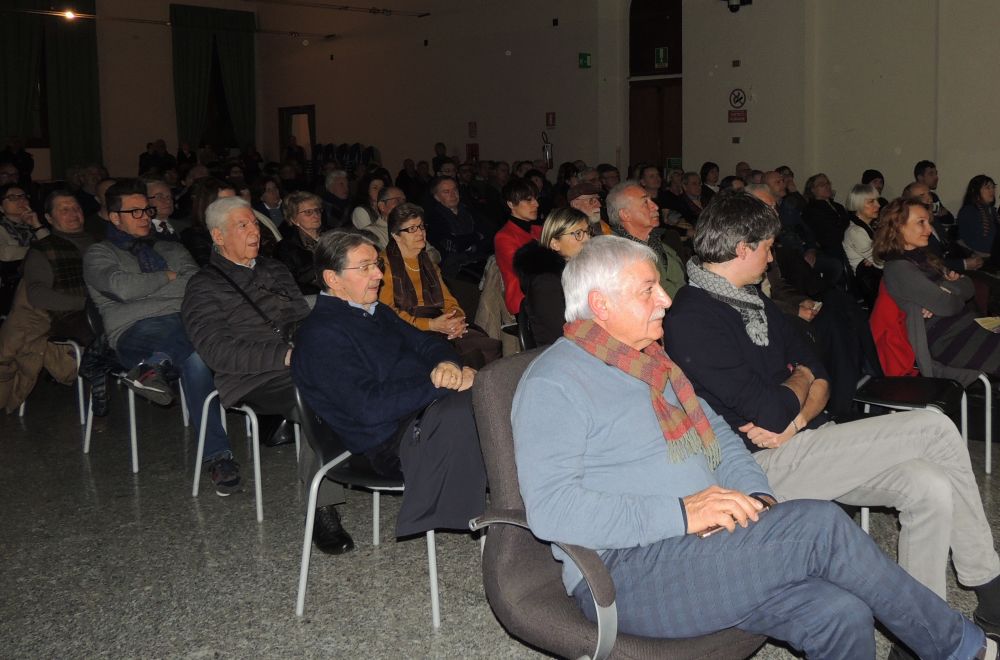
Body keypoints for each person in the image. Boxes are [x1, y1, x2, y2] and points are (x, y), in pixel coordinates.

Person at [514, 234, 997, 659]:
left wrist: (758, 498)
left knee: (840, 613)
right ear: (600, 305)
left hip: (703, 546)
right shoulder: (555, 383)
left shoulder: (654, 366)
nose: (664, 298)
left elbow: (722, 439)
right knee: (820, 525)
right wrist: (683, 513)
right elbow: (553, 511)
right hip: (627, 573)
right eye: (648, 289)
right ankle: (963, 649)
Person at [662, 192, 1000, 656]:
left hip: (804, 441)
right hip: (758, 467)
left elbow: (818, 371)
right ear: (742, 248)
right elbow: (770, 409)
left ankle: (918, 636)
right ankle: (989, 586)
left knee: (931, 486)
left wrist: (799, 411)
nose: (772, 257)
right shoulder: (692, 317)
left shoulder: (749, 300)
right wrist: (799, 389)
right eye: (767, 248)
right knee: (933, 427)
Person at [181, 197, 355, 554]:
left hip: (301, 360)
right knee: (320, 394)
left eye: (255, 224)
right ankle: (321, 507)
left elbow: (302, 319)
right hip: (253, 376)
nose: (254, 231)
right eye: (242, 225)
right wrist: (284, 355)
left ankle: (393, 463)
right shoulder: (202, 286)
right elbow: (216, 351)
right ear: (218, 236)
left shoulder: (275, 269)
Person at [292, 230, 487, 538]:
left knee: (499, 389)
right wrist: (443, 384)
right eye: (365, 267)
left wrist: (449, 366)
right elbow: (369, 407)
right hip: (391, 442)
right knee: (484, 409)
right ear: (333, 278)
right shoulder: (321, 336)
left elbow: (426, 343)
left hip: (420, 412)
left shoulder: (373, 311)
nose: (379, 275)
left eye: (377, 264)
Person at [83, 182, 236, 493]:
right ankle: (217, 455)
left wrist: (147, 286)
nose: (145, 217)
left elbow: (196, 284)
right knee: (193, 336)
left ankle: (218, 455)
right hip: (134, 331)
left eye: (147, 210)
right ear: (114, 217)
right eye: (135, 211)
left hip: (185, 324)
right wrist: (167, 276)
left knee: (195, 357)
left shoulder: (171, 248)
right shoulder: (99, 253)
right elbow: (121, 287)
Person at [876, 196, 1000, 379]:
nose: (929, 229)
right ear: (898, 227)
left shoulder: (924, 257)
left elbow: (969, 286)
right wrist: (948, 288)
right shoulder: (898, 267)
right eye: (921, 222)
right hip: (948, 341)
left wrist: (946, 288)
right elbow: (947, 306)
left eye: (928, 222)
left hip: (965, 327)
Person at [0, 191, 91, 412]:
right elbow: (38, 294)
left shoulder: (98, 243)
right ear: (49, 218)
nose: (73, 213)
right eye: (64, 210)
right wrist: (87, 303)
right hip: (68, 316)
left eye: (76, 208)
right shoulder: (44, 250)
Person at [379, 203, 500, 368]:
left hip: (439, 321)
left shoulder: (427, 262)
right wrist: (431, 324)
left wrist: (456, 320)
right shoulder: (383, 265)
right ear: (396, 235)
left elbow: (448, 300)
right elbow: (387, 314)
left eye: (421, 226)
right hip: (408, 330)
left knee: (485, 344)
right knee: (467, 352)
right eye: (412, 229)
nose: (420, 232)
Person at [512, 207, 591, 346]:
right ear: (555, 244)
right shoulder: (546, 282)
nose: (587, 239)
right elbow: (562, 333)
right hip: (564, 350)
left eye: (588, 232)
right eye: (578, 233)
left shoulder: (580, 270)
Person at [606, 180, 686, 297]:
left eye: (651, 201)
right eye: (645, 202)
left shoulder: (660, 240)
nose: (656, 207)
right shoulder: (616, 255)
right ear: (625, 214)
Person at [494, 178, 542, 314]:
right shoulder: (504, 237)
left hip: (543, 292)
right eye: (528, 200)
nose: (536, 204)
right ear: (511, 204)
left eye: (535, 199)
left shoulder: (539, 230)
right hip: (524, 300)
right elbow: (525, 272)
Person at [0, 183, 49, 316]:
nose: (21, 200)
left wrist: (36, 224)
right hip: (12, 286)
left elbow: (51, 248)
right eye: (13, 197)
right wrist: (38, 251)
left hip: (39, 280)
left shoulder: (32, 225)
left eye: (23, 196)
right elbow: (5, 254)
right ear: (1, 207)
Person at [275, 191, 324, 295]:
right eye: (308, 212)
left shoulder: (332, 235)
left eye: (317, 210)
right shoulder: (285, 248)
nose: (316, 215)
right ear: (294, 219)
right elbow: (293, 283)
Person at [843, 183, 883, 305]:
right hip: (870, 282)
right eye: (871, 202)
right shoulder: (856, 231)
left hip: (876, 276)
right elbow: (880, 262)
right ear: (858, 205)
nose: (878, 205)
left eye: (877, 200)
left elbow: (879, 257)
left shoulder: (868, 227)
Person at [802, 173, 850, 265]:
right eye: (822, 184)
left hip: (846, 244)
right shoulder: (811, 209)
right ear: (812, 190)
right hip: (829, 250)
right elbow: (826, 233)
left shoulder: (838, 206)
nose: (827, 186)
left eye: (828, 183)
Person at [957, 175, 998, 260]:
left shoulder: (992, 211)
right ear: (975, 191)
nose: (992, 190)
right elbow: (971, 241)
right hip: (981, 256)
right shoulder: (969, 211)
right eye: (987, 188)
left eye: (993, 187)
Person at [916, 159, 956, 226]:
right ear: (920, 177)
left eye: (936, 174)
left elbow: (950, 220)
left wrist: (943, 214)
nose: (936, 177)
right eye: (931, 174)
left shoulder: (933, 196)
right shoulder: (913, 197)